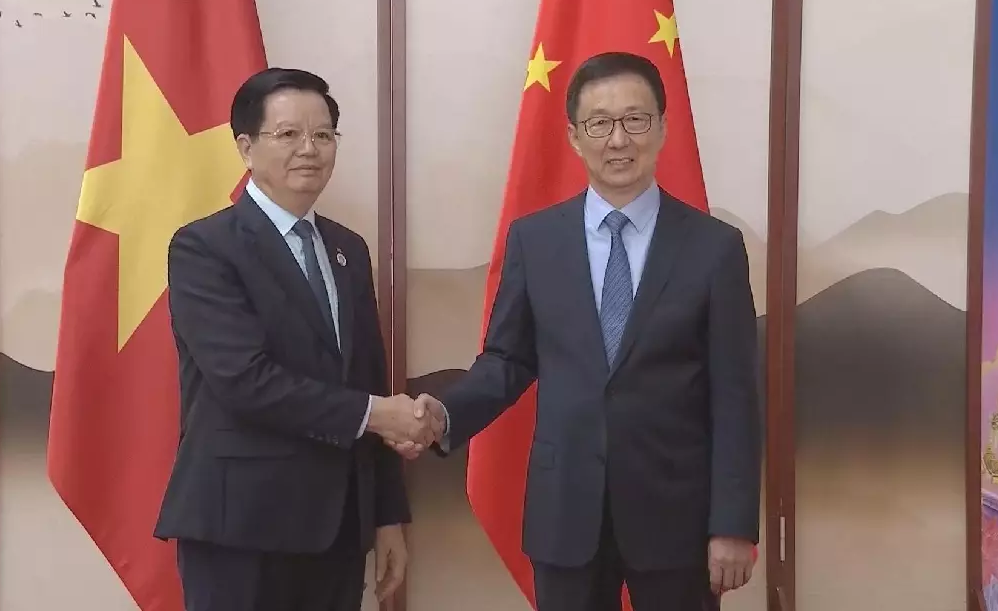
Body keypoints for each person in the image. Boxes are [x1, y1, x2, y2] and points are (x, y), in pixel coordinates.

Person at [401, 52, 762, 611]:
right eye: (599, 123)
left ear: (662, 128)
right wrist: (446, 415)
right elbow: (507, 360)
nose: (618, 139)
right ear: (573, 136)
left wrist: (733, 523)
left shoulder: (714, 248)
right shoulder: (535, 240)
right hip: (566, 511)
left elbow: (735, 396)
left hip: (678, 517)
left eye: (635, 119)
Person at [153, 67, 434, 611]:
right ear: (246, 148)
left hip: (338, 529)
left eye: (323, 134)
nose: (309, 149)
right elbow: (245, 381)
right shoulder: (204, 248)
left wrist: (386, 516)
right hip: (242, 527)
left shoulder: (348, 250)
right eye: (288, 134)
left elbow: (369, 379)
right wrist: (376, 414)